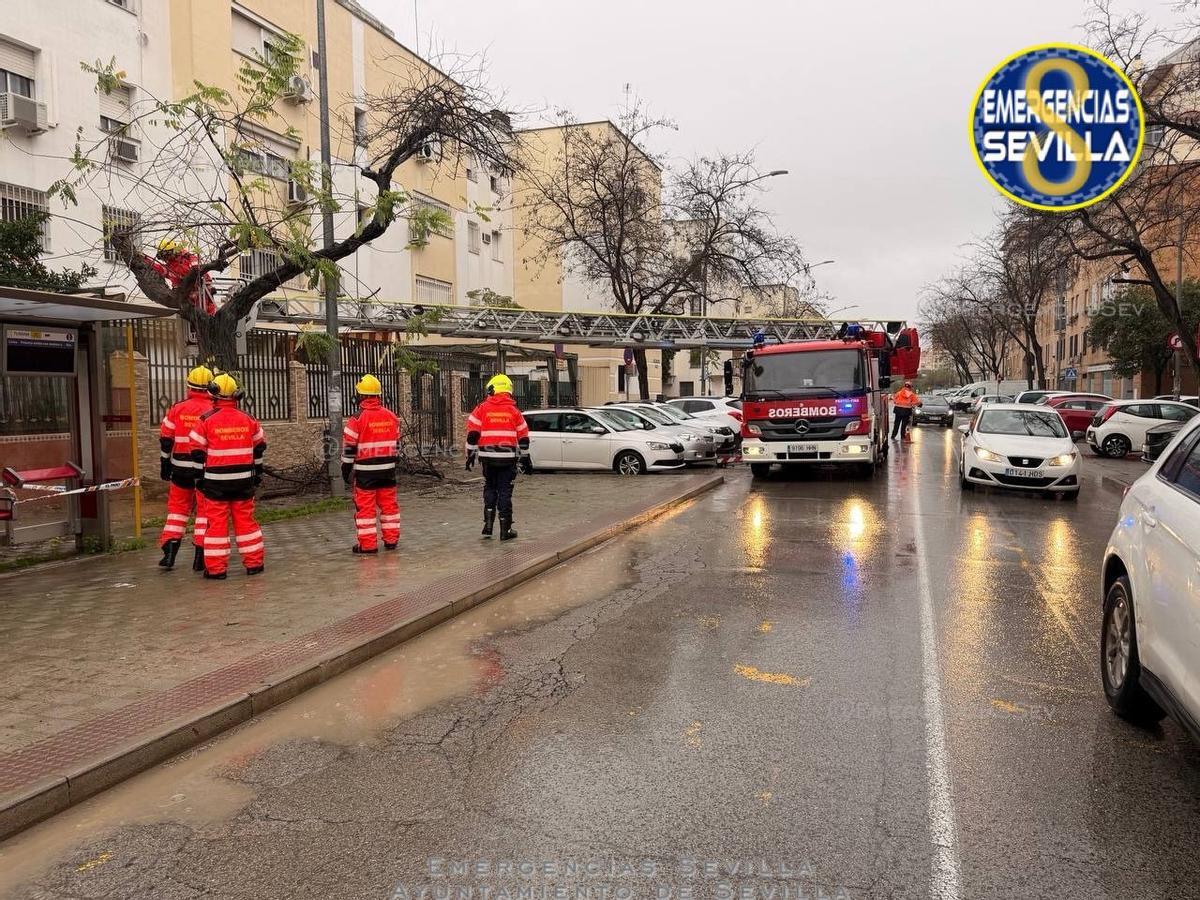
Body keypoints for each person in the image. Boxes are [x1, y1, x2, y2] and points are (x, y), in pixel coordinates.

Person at [189, 374, 267, 579]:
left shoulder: (205, 420)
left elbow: (196, 452)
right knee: (246, 522)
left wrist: (198, 478)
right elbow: (259, 448)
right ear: (236, 395)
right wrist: (257, 474)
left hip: (216, 483)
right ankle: (254, 564)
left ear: (213, 394)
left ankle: (216, 570)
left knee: (216, 525)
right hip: (243, 481)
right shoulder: (248, 419)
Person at [157, 365, 215, 571]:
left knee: (177, 510)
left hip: (180, 469)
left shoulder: (177, 408)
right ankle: (200, 555)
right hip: (205, 470)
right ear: (211, 386)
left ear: (189, 385)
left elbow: (165, 439)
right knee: (204, 511)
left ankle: (170, 551)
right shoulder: (213, 411)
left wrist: (165, 463)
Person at [464, 374, 530, 541]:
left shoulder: (481, 408)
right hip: (507, 458)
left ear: (492, 389)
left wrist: (470, 454)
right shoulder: (514, 411)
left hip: (487, 457)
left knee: (490, 487)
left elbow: (472, 434)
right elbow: (524, 438)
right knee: (505, 491)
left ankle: (488, 525)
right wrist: (524, 457)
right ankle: (505, 529)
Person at [341, 374, 401, 554]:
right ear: (377, 395)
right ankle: (391, 541)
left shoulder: (357, 419)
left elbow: (349, 448)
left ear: (361, 395)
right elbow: (396, 444)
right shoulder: (391, 416)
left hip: (365, 474)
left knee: (366, 510)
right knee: (389, 506)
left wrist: (345, 468)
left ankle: (368, 545)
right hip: (388, 471)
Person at [147, 238, 217, 315]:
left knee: (207, 312)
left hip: (201, 289)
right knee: (194, 315)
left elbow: (197, 269)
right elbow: (160, 269)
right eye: (164, 257)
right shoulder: (170, 267)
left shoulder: (188, 258)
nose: (166, 258)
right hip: (187, 294)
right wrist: (146, 260)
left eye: (166, 255)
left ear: (172, 251)